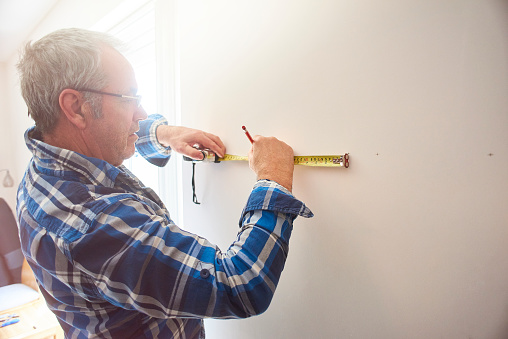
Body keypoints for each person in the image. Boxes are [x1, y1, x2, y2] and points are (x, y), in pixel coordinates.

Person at [16, 28, 312, 338]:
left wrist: (162, 134)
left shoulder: (46, 167)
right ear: (76, 107)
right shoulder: (88, 224)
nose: (140, 115)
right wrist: (273, 178)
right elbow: (240, 286)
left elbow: (102, 138)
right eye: (129, 98)